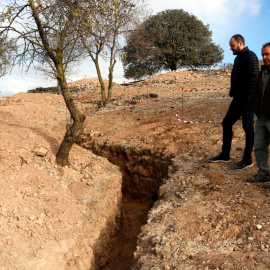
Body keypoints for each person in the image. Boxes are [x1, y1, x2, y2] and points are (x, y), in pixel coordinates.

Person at [209, 34, 259, 169]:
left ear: (240, 43)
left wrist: (250, 98)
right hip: (238, 99)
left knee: (248, 128)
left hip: (248, 100)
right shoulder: (238, 58)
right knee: (226, 123)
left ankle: (247, 159)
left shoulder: (251, 56)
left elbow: (254, 77)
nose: (231, 49)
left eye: (232, 46)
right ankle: (225, 154)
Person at [247, 42, 270, 186]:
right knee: (259, 146)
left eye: (267, 54)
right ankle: (263, 174)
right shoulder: (262, 73)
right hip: (261, 117)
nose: (264, 57)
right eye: (262, 55)